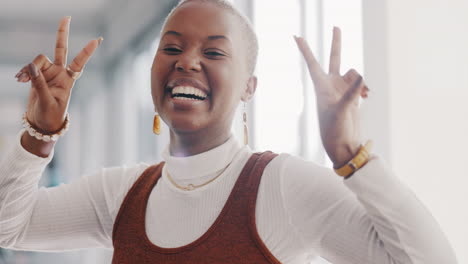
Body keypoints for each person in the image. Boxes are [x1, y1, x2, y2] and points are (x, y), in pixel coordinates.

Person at [0, 0, 457, 263]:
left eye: (214, 53)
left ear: (249, 88)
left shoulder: (281, 187)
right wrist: (40, 133)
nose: (187, 61)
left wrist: (351, 155)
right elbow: (10, 226)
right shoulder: (122, 193)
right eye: (172, 47)